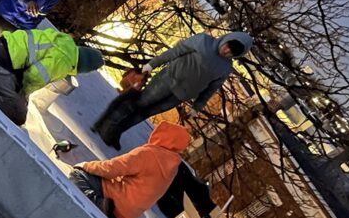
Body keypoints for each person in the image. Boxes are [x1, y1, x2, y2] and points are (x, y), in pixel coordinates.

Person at [93, 30, 253, 149]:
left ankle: (117, 132)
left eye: (232, 52)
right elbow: (176, 51)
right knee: (139, 103)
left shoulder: (225, 68)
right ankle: (108, 125)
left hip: (179, 96)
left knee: (145, 113)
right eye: (228, 46)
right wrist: (153, 64)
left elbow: (211, 89)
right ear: (226, 39)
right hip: (167, 80)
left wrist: (197, 107)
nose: (226, 51)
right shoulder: (203, 41)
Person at [0, 28, 103, 125]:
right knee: (18, 115)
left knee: (15, 89)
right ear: (84, 67)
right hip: (1, 64)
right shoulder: (65, 62)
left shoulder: (63, 41)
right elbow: (33, 76)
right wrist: (24, 95)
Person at [69, 121, 191, 218]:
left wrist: (85, 165)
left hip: (115, 203)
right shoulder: (173, 167)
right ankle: (102, 205)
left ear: (162, 135)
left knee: (77, 174)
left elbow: (111, 169)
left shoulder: (148, 154)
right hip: (129, 214)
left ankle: (97, 204)